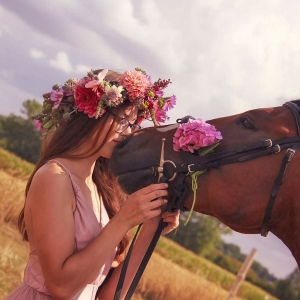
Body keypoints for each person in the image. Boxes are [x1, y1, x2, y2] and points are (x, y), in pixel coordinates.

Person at [5, 68, 179, 300]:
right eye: (122, 120)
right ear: (93, 112)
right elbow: (61, 288)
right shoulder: (55, 177)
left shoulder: (101, 188)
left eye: (133, 124)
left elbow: (105, 295)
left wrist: (151, 228)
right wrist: (124, 220)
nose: (128, 132)